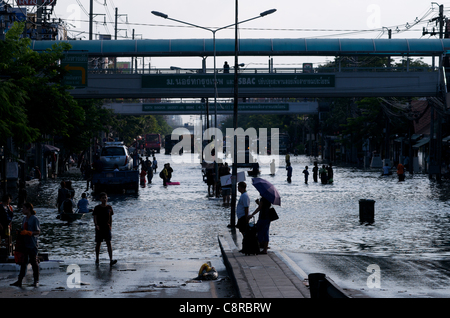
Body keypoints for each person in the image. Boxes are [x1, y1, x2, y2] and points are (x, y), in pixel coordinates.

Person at [10, 202, 40, 287]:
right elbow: (23, 229)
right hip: (24, 244)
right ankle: (19, 281)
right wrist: (20, 232)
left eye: (24, 208)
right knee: (23, 262)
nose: (23, 210)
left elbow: (38, 231)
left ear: (29, 209)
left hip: (32, 244)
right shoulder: (24, 219)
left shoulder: (34, 219)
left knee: (34, 262)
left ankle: (36, 281)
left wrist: (30, 232)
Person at [93, 192, 117, 266]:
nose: (104, 199)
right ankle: (97, 258)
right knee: (98, 243)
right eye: (103, 198)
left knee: (109, 243)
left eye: (105, 198)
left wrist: (111, 226)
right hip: (99, 227)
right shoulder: (97, 208)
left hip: (107, 227)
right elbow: (95, 217)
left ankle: (111, 260)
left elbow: (110, 218)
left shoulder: (109, 207)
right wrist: (96, 225)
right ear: (100, 199)